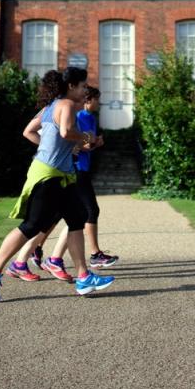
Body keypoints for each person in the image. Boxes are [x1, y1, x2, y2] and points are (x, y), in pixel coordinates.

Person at [0, 67, 115, 302]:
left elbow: (29, 131)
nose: (84, 91)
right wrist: (85, 138)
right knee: (32, 225)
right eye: (82, 86)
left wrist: (50, 149)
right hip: (49, 175)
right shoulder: (68, 105)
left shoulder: (51, 106)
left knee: (76, 218)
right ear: (71, 86)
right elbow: (66, 131)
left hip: (57, 173)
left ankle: (83, 277)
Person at [11, 86, 118, 280]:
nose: (95, 102)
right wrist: (88, 142)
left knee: (64, 217)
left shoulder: (55, 109)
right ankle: (17, 263)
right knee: (61, 217)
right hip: (64, 170)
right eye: (80, 93)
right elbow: (72, 140)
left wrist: (83, 145)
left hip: (66, 169)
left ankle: (30, 261)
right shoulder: (63, 111)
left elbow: (70, 141)